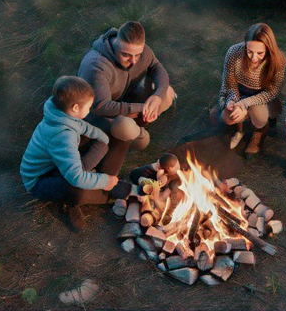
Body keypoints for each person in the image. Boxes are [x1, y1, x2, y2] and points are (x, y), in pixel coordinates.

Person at [20, 76, 130, 231]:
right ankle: (106, 194)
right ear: (76, 108)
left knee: (105, 128)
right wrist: (105, 181)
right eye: (89, 106)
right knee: (77, 190)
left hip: (58, 164)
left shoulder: (61, 114)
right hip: (40, 180)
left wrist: (102, 138)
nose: (90, 110)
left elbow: (81, 126)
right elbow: (76, 178)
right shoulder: (62, 135)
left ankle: (97, 181)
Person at [78, 21, 175, 170]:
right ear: (115, 43)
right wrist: (144, 108)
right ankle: (136, 135)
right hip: (99, 118)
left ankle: (140, 124)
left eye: (138, 55)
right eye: (126, 55)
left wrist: (157, 96)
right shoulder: (97, 66)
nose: (133, 61)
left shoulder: (142, 51)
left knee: (167, 92)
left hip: (125, 101)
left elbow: (157, 68)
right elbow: (101, 107)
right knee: (135, 136)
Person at [215, 23, 286, 156]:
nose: (253, 58)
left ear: (269, 49)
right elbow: (229, 84)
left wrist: (244, 104)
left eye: (260, 53)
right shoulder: (234, 53)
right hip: (238, 93)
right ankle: (240, 130)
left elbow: (273, 91)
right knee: (227, 118)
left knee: (259, 116)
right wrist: (232, 102)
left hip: (262, 97)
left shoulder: (278, 60)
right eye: (249, 51)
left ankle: (260, 132)